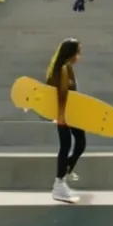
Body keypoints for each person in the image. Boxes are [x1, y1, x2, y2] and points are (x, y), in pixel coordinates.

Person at [46, 38, 86, 203]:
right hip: (64, 113)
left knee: (80, 141)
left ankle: (66, 172)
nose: (80, 56)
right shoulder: (62, 69)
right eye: (78, 52)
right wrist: (61, 116)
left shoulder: (66, 68)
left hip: (71, 112)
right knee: (66, 146)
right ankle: (59, 184)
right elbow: (61, 94)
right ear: (71, 53)